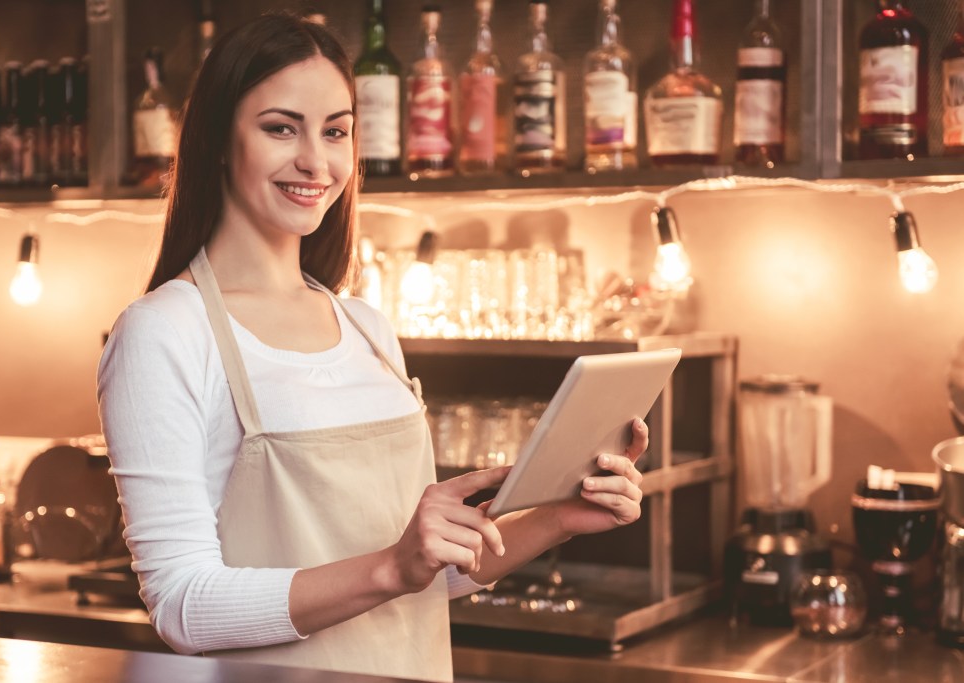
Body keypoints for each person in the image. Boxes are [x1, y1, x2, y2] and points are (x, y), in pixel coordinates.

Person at [97, 11, 648, 683]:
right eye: (280, 128)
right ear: (216, 137)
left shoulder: (366, 327)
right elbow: (182, 605)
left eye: (335, 131)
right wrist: (392, 564)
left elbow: (414, 583)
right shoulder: (164, 331)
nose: (315, 160)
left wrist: (560, 516)